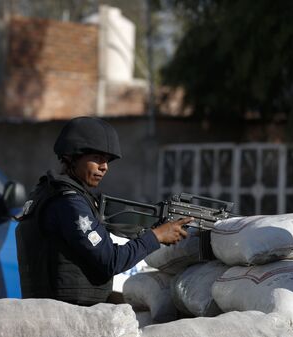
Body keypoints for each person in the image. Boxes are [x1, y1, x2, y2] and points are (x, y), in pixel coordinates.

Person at [15, 116, 190, 306]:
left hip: (56, 309)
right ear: (72, 157)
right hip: (66, 314)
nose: (104, 167)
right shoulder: (69, 203)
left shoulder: (50, 192)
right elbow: (110, 261)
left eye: (107, 160)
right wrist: (156, 236)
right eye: (97, 158)